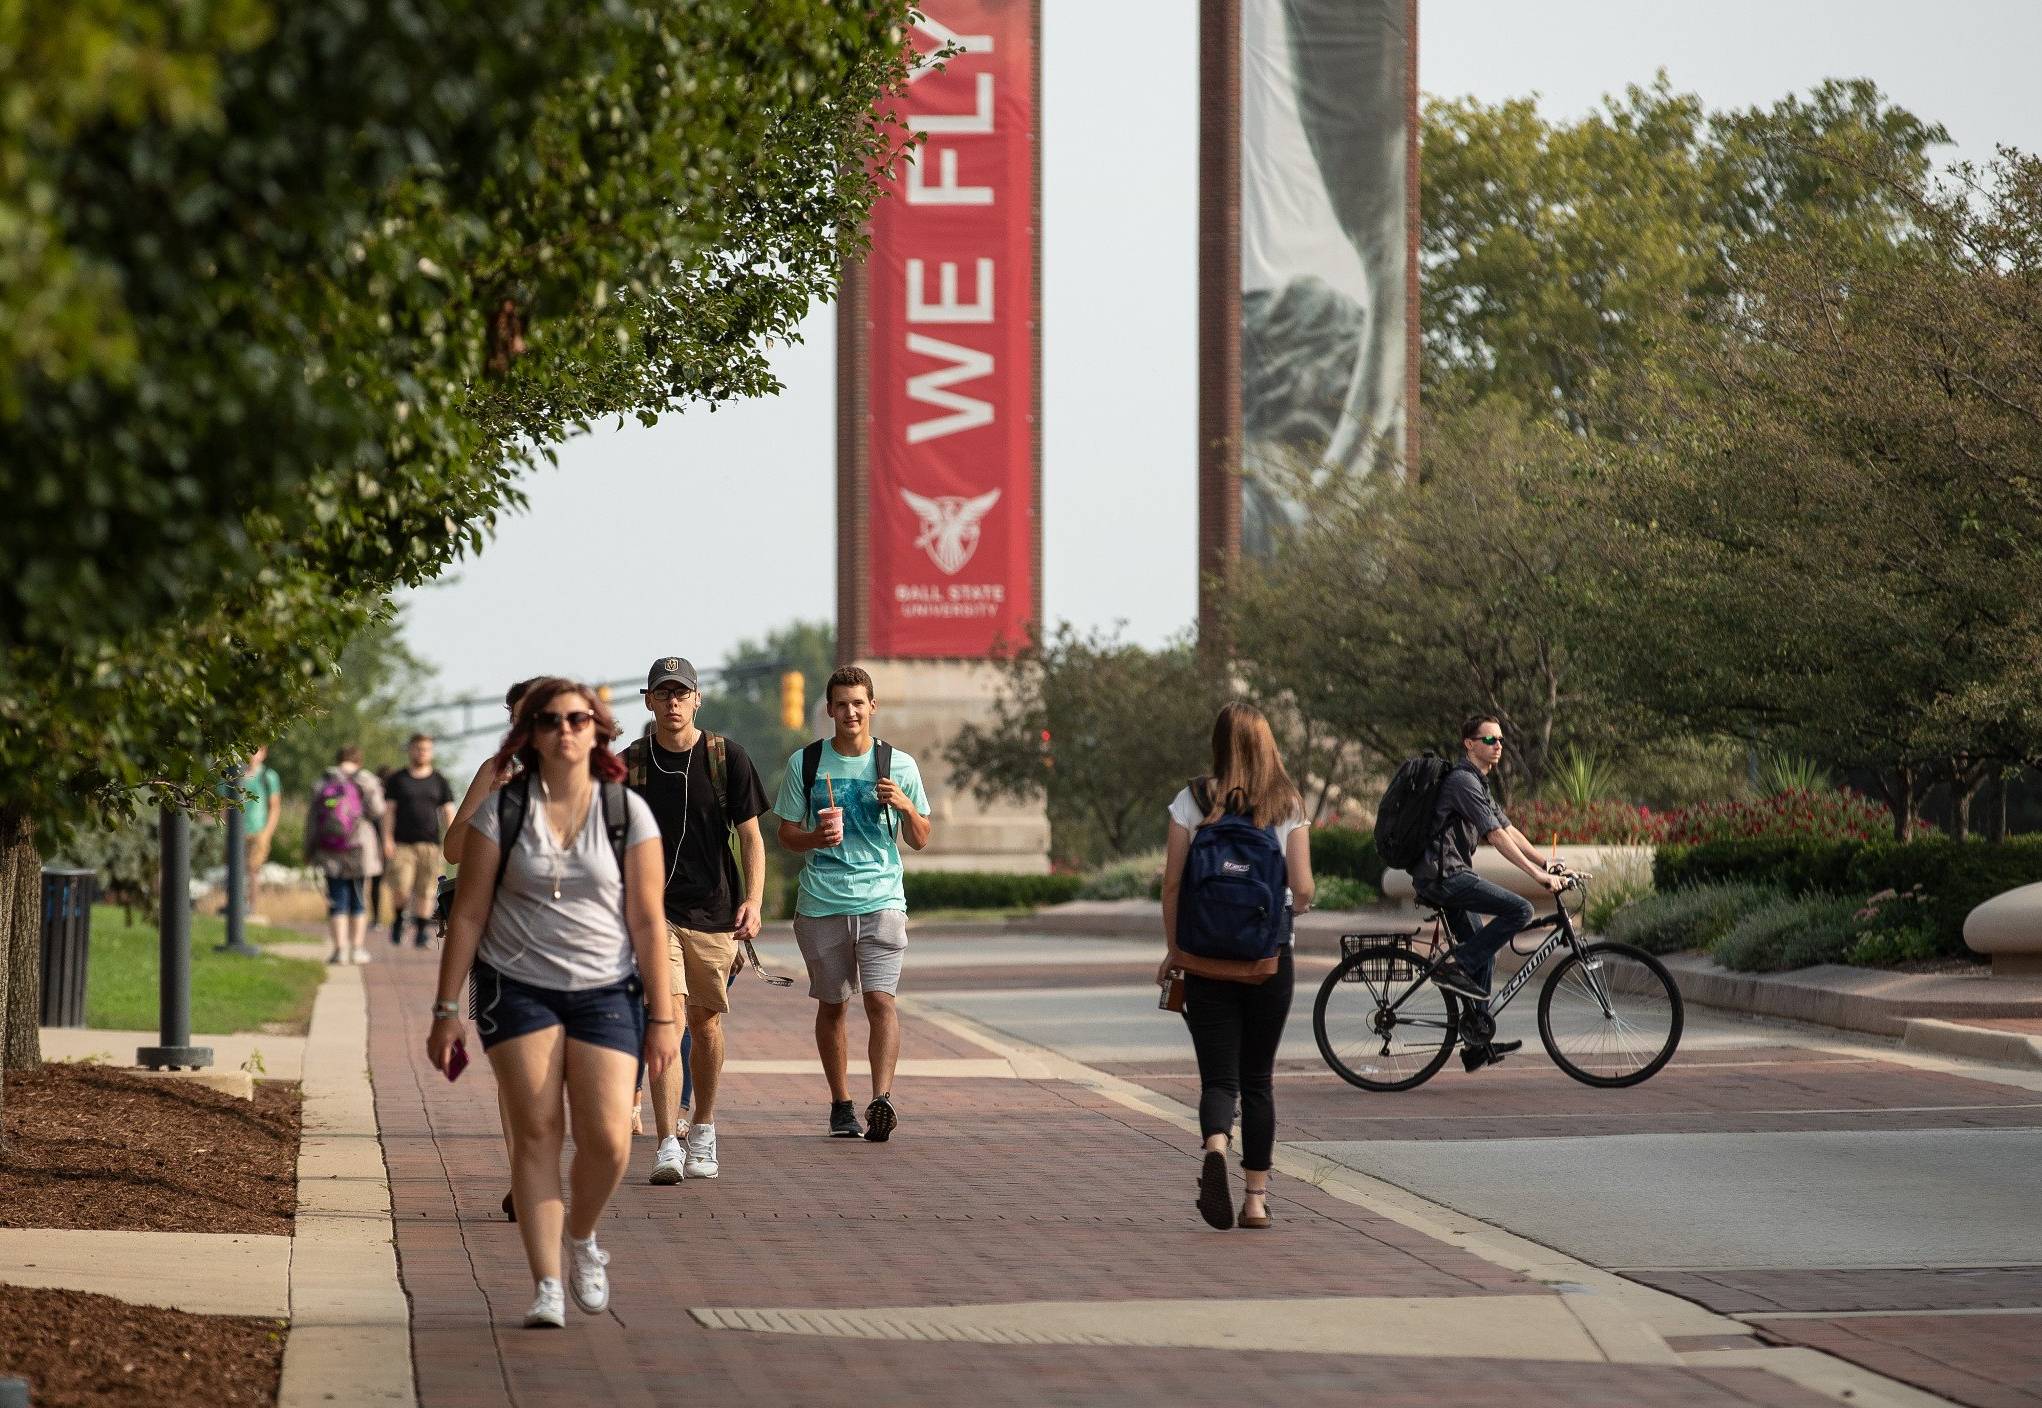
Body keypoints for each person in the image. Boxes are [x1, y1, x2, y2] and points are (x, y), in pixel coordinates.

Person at [426, 678, 679, 1328]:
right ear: (530, 734)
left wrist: (663, 1016)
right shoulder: (500, 810)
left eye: (576, 719)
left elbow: (649, 922)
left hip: (605, 992)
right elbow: (471, 916)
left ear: (597, 732)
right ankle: (546, 1286)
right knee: (537, 1133)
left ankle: (583, 1237)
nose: (564, 730)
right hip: (519, 990)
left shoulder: (627, 814)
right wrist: (446, 1009)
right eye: (549, 721)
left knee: (608, 1138)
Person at [1157, 703, 1314, 1231]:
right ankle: (1255, 1202)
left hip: (1202, 958)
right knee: (1259, 1080)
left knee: (1218, 1078)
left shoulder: (1193, 800)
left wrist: (1177, 952)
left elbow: (1173, 884)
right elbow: (1304, 886)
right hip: (1268, 959)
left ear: (1219, 742)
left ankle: (1216, 1146)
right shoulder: (1286, 802)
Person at [621, 657, 769, 1185]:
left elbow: (751, 837)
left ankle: (702, 1126)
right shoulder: (632, 764)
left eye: (682, 692)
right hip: (654, 913)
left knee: (706, 1024)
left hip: (714, 912)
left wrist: (752, 900)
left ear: (697, 699)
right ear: (648, 700)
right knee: (669, 1017)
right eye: (663, 692)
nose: (673, 701)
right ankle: (666, 1140)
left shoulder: (726, 758)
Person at [773, 664, 931, 1142]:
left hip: (882, 898)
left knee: (882, 1000)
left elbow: (921, 838)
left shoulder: (899, 765)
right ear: (829, 710)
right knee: (834, 1004)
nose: (850, 712)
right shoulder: (806, 763)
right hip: (822, 903)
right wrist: (815, 836)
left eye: (858, 703)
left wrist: (904, 806)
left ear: (872, 706)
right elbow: (784, 834)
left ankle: (881, 1099)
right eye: (841, 704)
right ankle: (841, 1104)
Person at [1411, 715, 1568, 1073]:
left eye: (1499, 740)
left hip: (1449, 875)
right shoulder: (1463, 782)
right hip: (1445, 877)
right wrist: (1536, 877)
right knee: (1521, 911)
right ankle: (1456, 965)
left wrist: (1548, 863)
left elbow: (1508, 829)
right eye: (1489, 740)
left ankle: (1476, 1039)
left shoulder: (1479, 784)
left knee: (1487, 954)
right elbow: (1494, 837)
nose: (1498, 746)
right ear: (1469, 744)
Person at [305, 745, 387, 965]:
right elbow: (378, 810)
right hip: (359, 849)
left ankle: (340, 949)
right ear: (359, 761)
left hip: (330, 849)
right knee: (358, 899)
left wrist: (309, 849)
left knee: (336, 900)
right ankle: (357, 948)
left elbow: (313, 819)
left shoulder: (324, 782)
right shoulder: (365, 781)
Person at [383, 733, 455, 948]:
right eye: (417, 748)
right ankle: (398, 919)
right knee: (401, 888)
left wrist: (452, 839)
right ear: (410, 750)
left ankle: (422, 932)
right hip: (402, 844)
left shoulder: (439, 780)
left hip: (430, 844)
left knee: (426, 889)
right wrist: (386, 839)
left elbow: (447, 812)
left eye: (425, 749)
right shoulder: (398, 779)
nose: (421, 752)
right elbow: (389, 812)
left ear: (430, 752)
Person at [238, 747, 282, 921]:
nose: (251, 755)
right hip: (237, 831)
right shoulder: (234, 776)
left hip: (258, 830)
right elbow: (223, 804)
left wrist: (267, 832)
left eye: (256, 751)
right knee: (236, 869)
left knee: (254, 870)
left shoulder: (268, 776)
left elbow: (275, 806)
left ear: (264, 753)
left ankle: (251, 908)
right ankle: (236, 906)